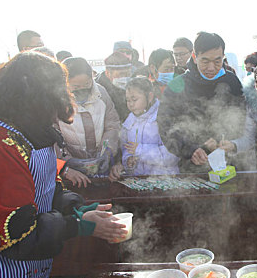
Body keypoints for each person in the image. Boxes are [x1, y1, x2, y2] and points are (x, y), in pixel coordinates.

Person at [0, 52, 126, 278]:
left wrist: (77, 210)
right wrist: (82, 225)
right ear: (35, 97)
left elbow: (45, 189)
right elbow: (18, 233)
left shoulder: (26, 134)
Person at [157, 31, 247, 173]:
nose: (211, 68)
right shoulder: (177, 85)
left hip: (229, 165)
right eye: (205, 61)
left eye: (217, 61)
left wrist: (230, 142)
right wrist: (190, 149)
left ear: (223, 57)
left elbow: (242, 120)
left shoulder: (232, 82)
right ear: (194, 57)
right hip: (192, 166)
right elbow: (165, 126)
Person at [57, 57, 120, 186]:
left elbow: (112, 126)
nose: (82, 89)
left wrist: (106, 153)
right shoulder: (56, 100)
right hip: (70, 173)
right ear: (66, 83)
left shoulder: (101, 93)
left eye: (86, 84)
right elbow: (52, 138)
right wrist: (68, 163)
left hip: (101, 166)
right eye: (76, 86)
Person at [109, 77, 179, 180]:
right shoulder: (129, 121)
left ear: (149, 96)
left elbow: (173, 155)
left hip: (165, 179)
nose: (131, 104)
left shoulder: (163, 117)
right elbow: (126, 148)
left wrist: (140, 150)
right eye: (128, 100)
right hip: (139, 180)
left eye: (134, 99)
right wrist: (128, 161)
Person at [95, 52, 132, 121]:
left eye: (128, 74)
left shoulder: (133, 87)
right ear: (108, 73)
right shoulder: (98, 93)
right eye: (121, 74)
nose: (125, 78)